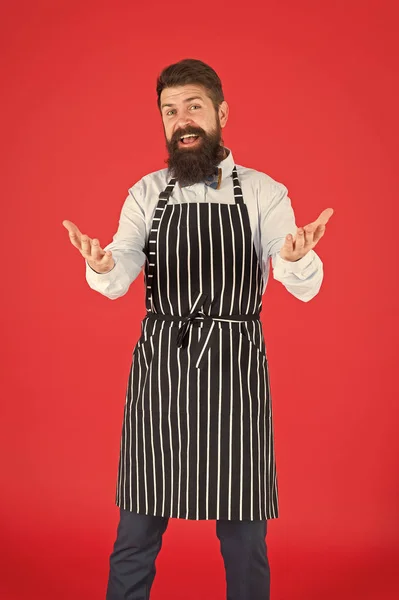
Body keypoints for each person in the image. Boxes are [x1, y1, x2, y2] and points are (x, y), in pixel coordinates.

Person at [63, 58, 333, 600]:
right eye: (170, 110)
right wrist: (100, 265)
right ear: (162, 122)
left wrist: (296, 257)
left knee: (244, 537)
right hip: (162, 371)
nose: (182, 120)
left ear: (220, 113)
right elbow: (119, 271)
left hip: (234, 372)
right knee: (136, 532)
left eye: (193, 106)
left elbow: (300, 282)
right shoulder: (146, 193)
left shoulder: (263, 192)